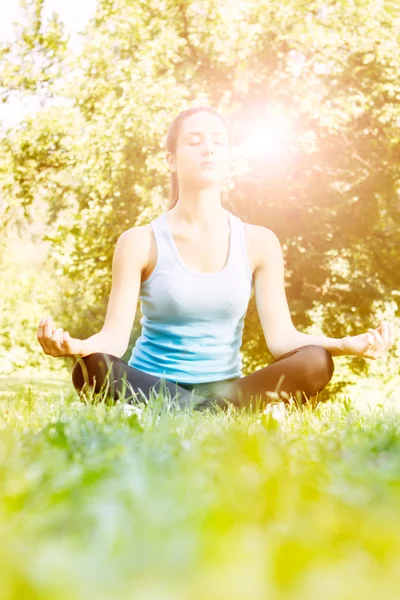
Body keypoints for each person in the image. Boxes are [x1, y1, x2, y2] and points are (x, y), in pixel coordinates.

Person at [37, 106, 395, 412]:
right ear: (171, 160)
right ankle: (209, 416)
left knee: (316, 361)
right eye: (194, 141)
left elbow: (283, 339)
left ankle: (187, 414)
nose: (208, 149)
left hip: (228, 391)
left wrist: (343, 345)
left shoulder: (260, 242)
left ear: (228, 159)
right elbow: (113, 342)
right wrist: (78, 348)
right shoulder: (139, 242)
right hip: (152, 384)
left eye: (218, 142)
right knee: (90, 369)